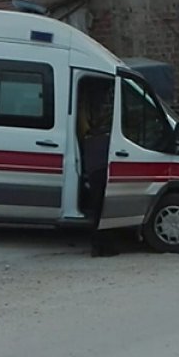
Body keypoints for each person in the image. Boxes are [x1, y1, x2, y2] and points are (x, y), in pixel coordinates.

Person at [78, 83, 118, 257]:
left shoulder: (88, 112)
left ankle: (100, 245)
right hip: (98, 165)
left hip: (95, 164)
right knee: (102, 208)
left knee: (100, 207)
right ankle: (101, 246)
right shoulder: (94, 115)